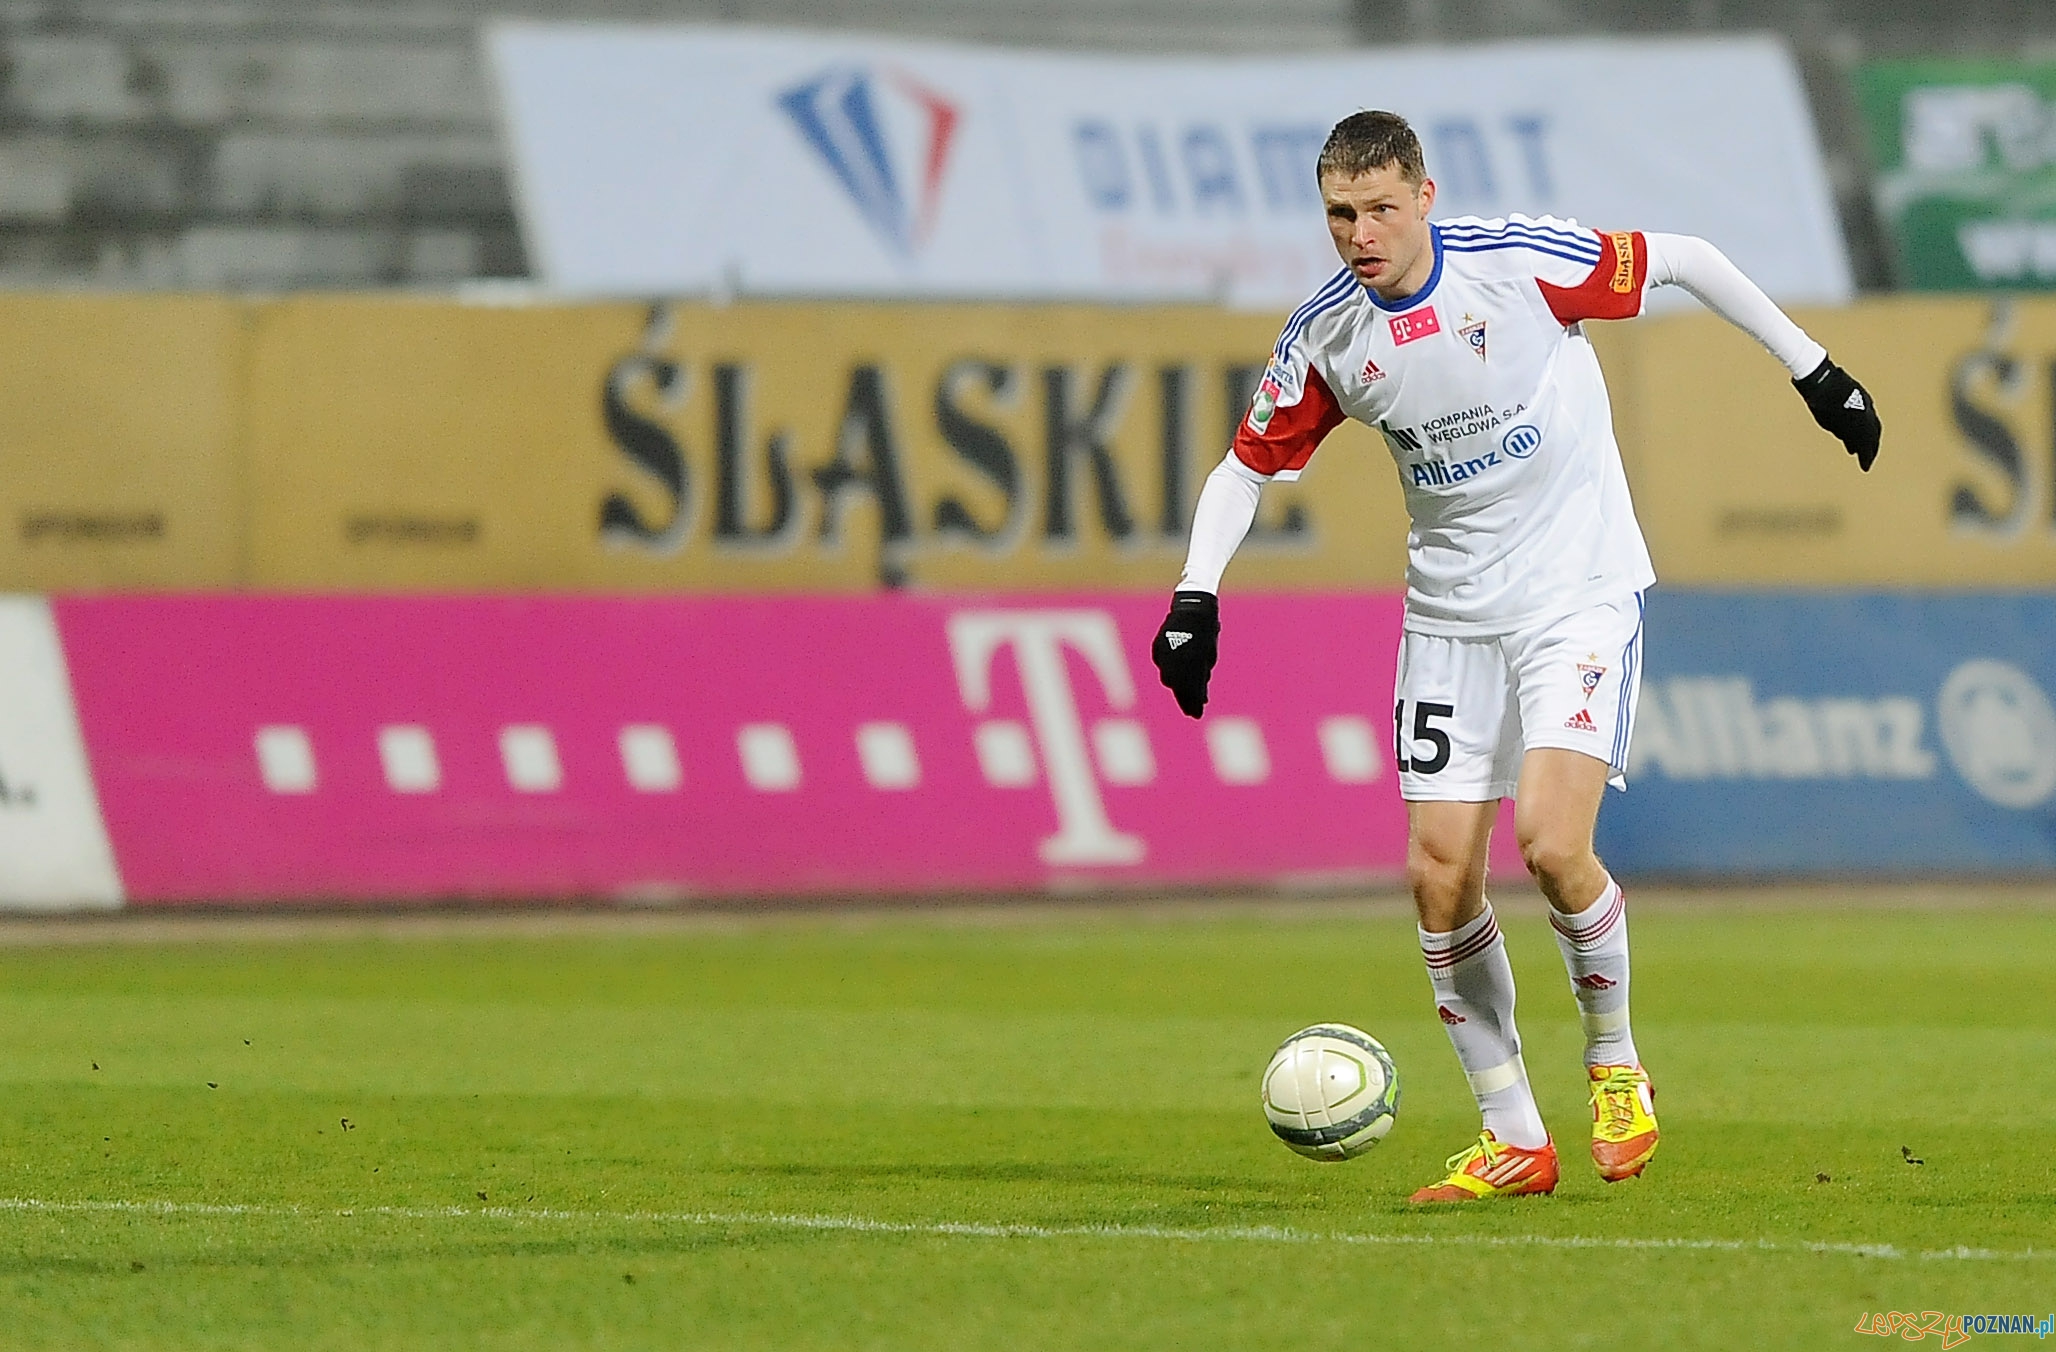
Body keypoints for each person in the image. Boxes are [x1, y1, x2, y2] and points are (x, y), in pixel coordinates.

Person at [1151, 110, 1879, 1203]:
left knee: (1548, 841)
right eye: (1341, 214)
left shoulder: (1518, 265)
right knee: (1437, 875)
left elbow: (1685, 258)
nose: (1360, 234)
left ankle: (1615, 1062)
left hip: (1574, 594)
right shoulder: (1328, 336)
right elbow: (1242, 469)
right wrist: (1194, 594)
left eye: (1381, 208)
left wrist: (1815, 372)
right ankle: (1513, 1135)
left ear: (1425, 197)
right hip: (1449, 618)